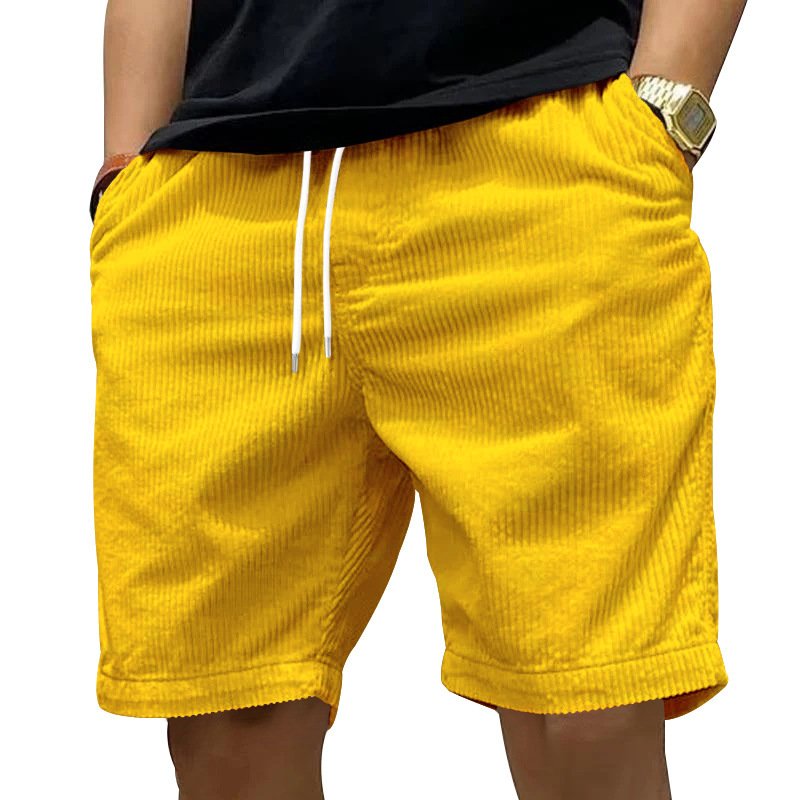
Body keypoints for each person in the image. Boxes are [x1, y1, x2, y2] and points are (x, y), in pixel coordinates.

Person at [88, 1, 746, 797]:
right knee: (225, 719)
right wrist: (126, 171)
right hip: (218, 203)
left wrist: (664, 109)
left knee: (587, 703)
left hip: (534, 156)